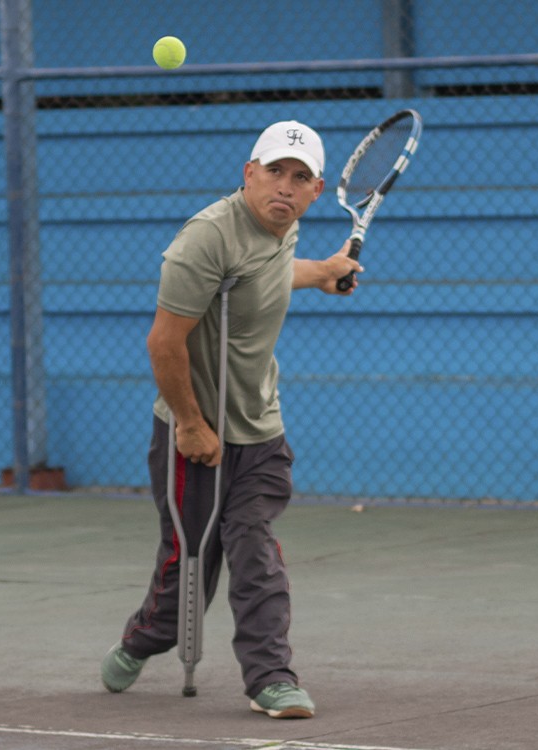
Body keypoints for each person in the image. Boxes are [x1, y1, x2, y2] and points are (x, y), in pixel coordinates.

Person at [101, 120, 362, 719]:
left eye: (300, 177)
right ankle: (144, 638)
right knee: (187, 574)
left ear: (316, 190)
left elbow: (266, 275)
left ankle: (271, 678)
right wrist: (192, 425)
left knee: (254, 548)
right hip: (196, 430)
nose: (285, 186)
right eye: (274, 171)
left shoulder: (283, 229)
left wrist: (322, 272)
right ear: (249, 174)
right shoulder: (207, 238)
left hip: (261, 431)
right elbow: (164, 342)